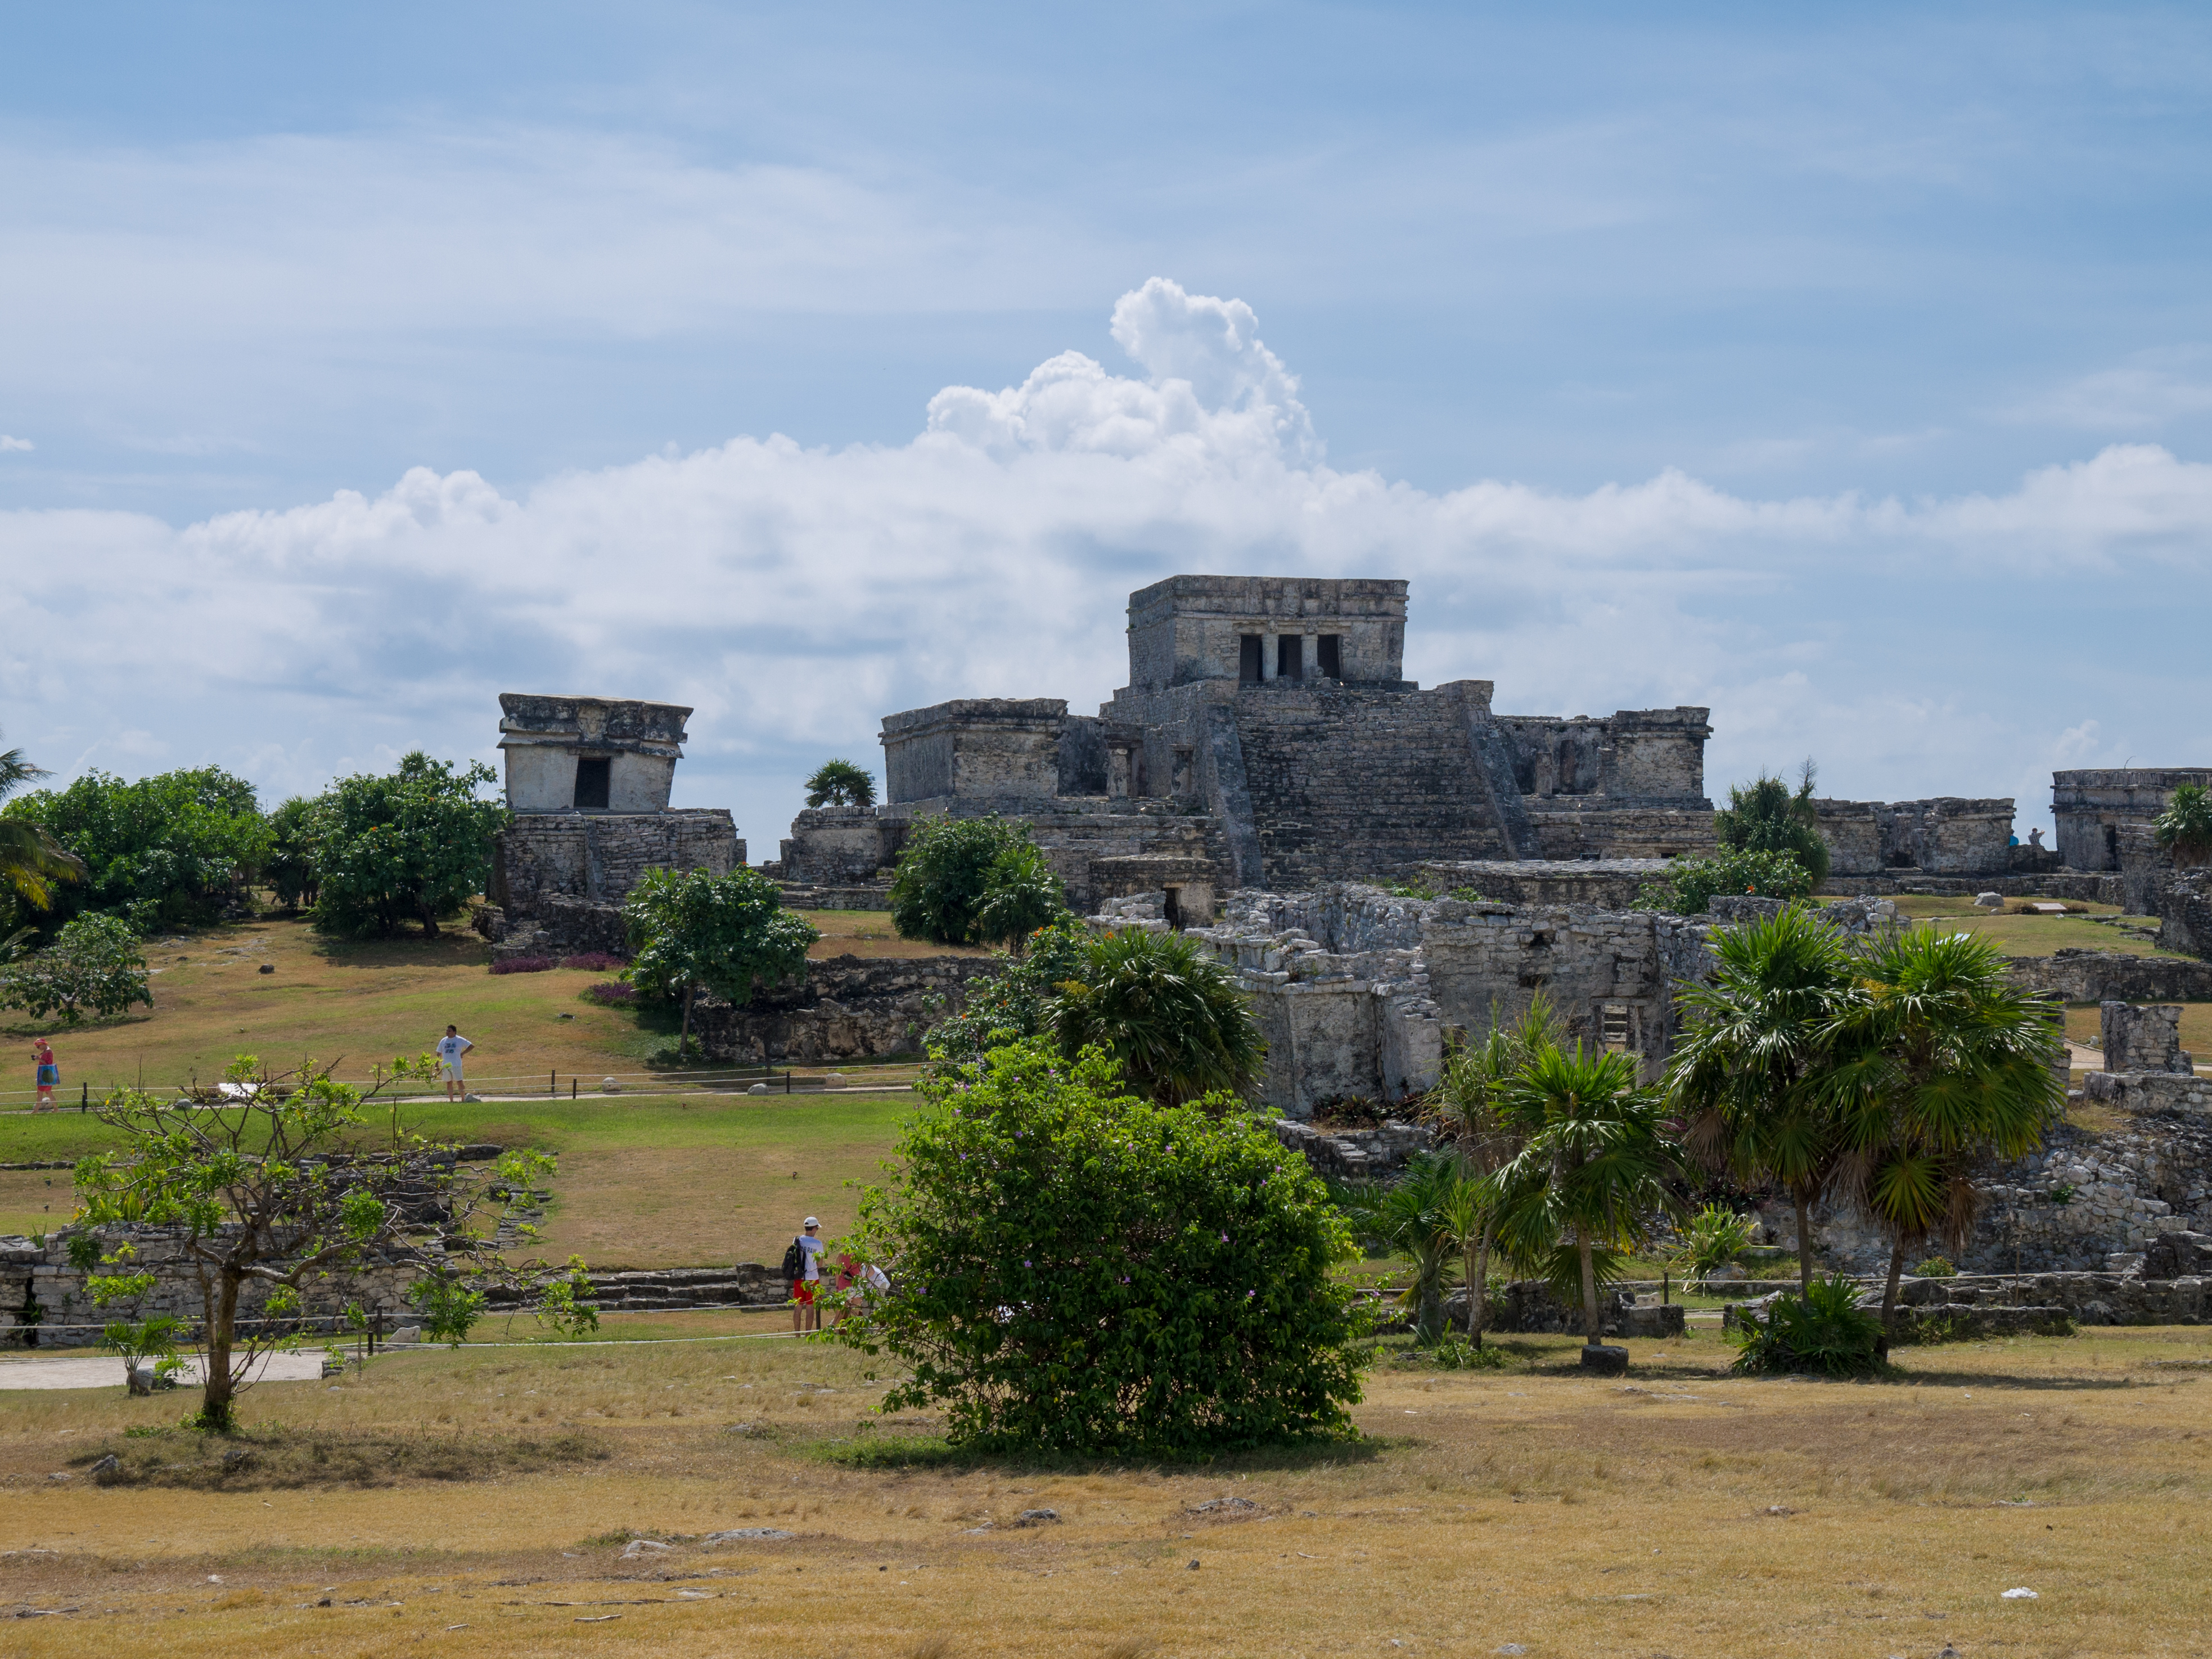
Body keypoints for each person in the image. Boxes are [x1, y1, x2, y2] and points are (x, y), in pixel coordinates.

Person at [788, 1216, 826, 1334]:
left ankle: (797, 1334)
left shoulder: (797, 1240)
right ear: (814, 1228)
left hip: (799, 1277)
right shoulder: (818, 1244)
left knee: (798, 1307)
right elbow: (820, 1264)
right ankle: (808, 1334)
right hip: (813, 1278)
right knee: (810, 1307)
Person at [435, 1025, 474, 1101]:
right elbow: (439, 1053)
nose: (447, 1032)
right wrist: (437, 1064)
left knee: (459, 1082)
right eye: (447, 1031)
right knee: (449, 1082)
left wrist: (463, 1054)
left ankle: (463, 1099)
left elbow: (471, 1046)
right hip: (445, 1065)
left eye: (449, 1031)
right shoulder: (443, 1041)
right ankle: (451, 1100)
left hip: (456, 1064)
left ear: (454, 1032)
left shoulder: (459, 1040)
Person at [33, 1038, 58, 1111]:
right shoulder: (45, 1051)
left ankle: (36, 1111)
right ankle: (56, 1108)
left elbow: (48, 1063)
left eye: (38, 1046)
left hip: (46, 1074)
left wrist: (39, 1059)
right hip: (44, 1073)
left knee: (40, 1093)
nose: (38, 1048)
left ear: (43, 1044)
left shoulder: (48, 1051)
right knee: (48, 1093)